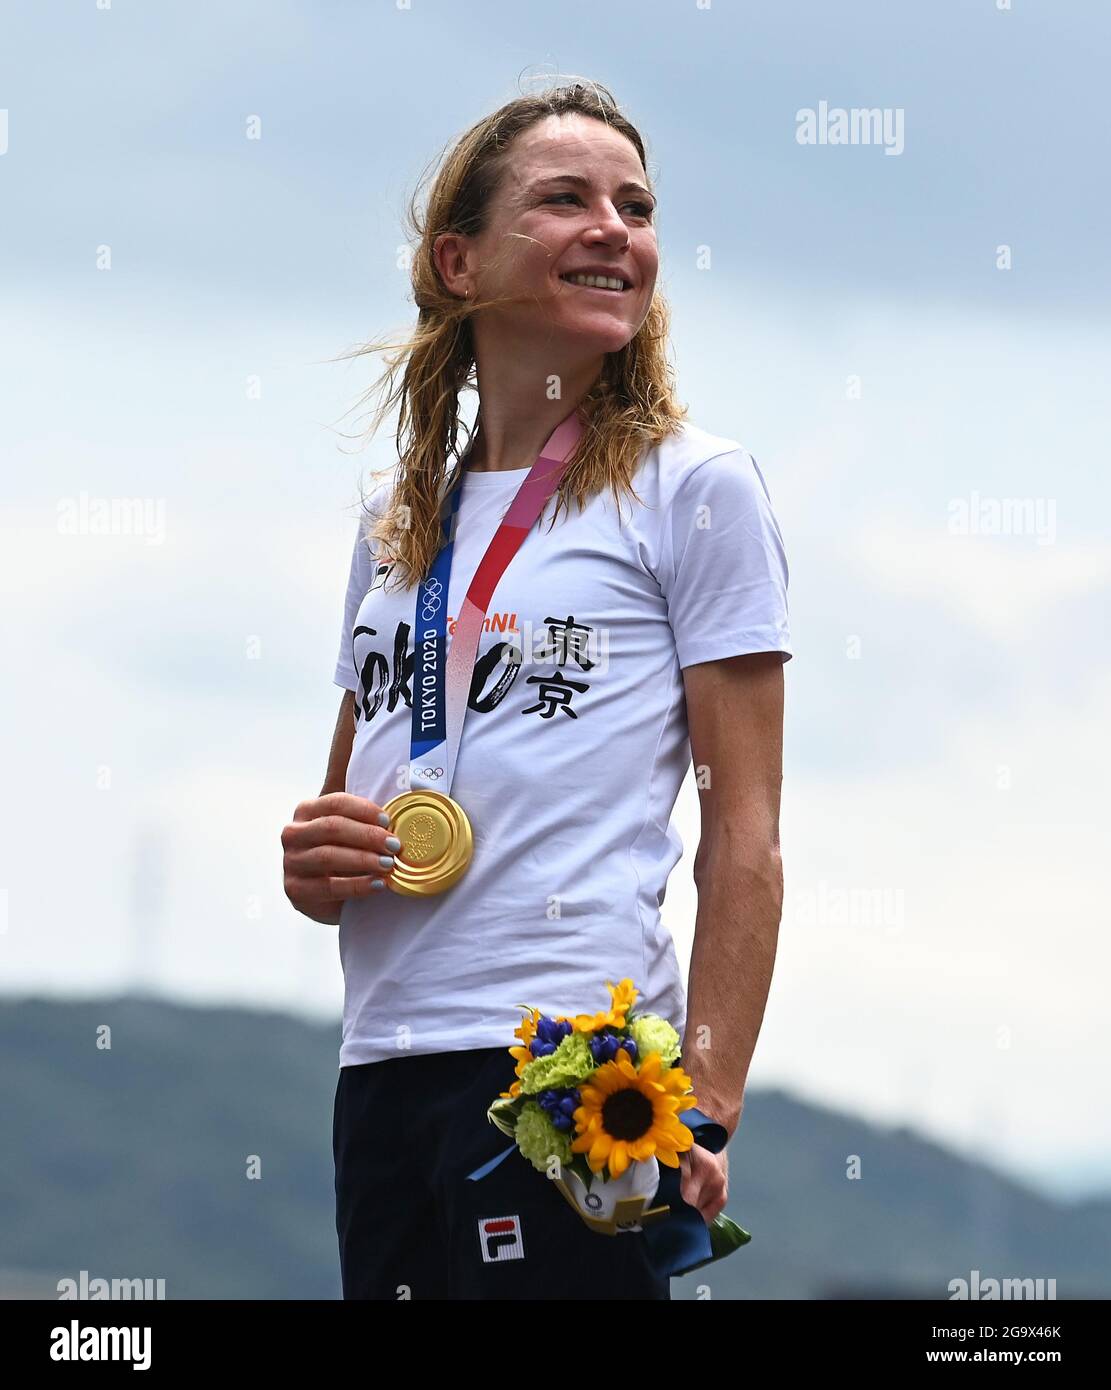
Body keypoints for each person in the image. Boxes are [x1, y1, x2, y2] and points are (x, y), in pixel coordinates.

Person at [281, 80, 792, 1301]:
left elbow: (747, 834)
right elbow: (348, 814)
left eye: (635, 206)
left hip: (574, 1071)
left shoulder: (696, 489)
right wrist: (312, 860)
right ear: (457, 263)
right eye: (565, 200)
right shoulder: (399, 523)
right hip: (384, 1062)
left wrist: (703, 1106)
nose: (614, 228)